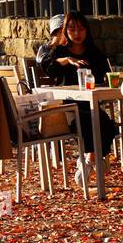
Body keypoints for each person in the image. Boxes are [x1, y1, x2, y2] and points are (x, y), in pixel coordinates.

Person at [40, 11, 116, 184]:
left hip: (91, 102)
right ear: (65, 31)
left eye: (81, 29)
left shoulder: (93, 52)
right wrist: (67, 60)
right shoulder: (60, 51)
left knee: (107, 125)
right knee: (94, 122)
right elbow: (48, 68)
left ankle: (89, 159)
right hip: (67, 104)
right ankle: (95, 157)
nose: (77, 33)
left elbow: (105, 74)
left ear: (86, 30)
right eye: (72, 29)